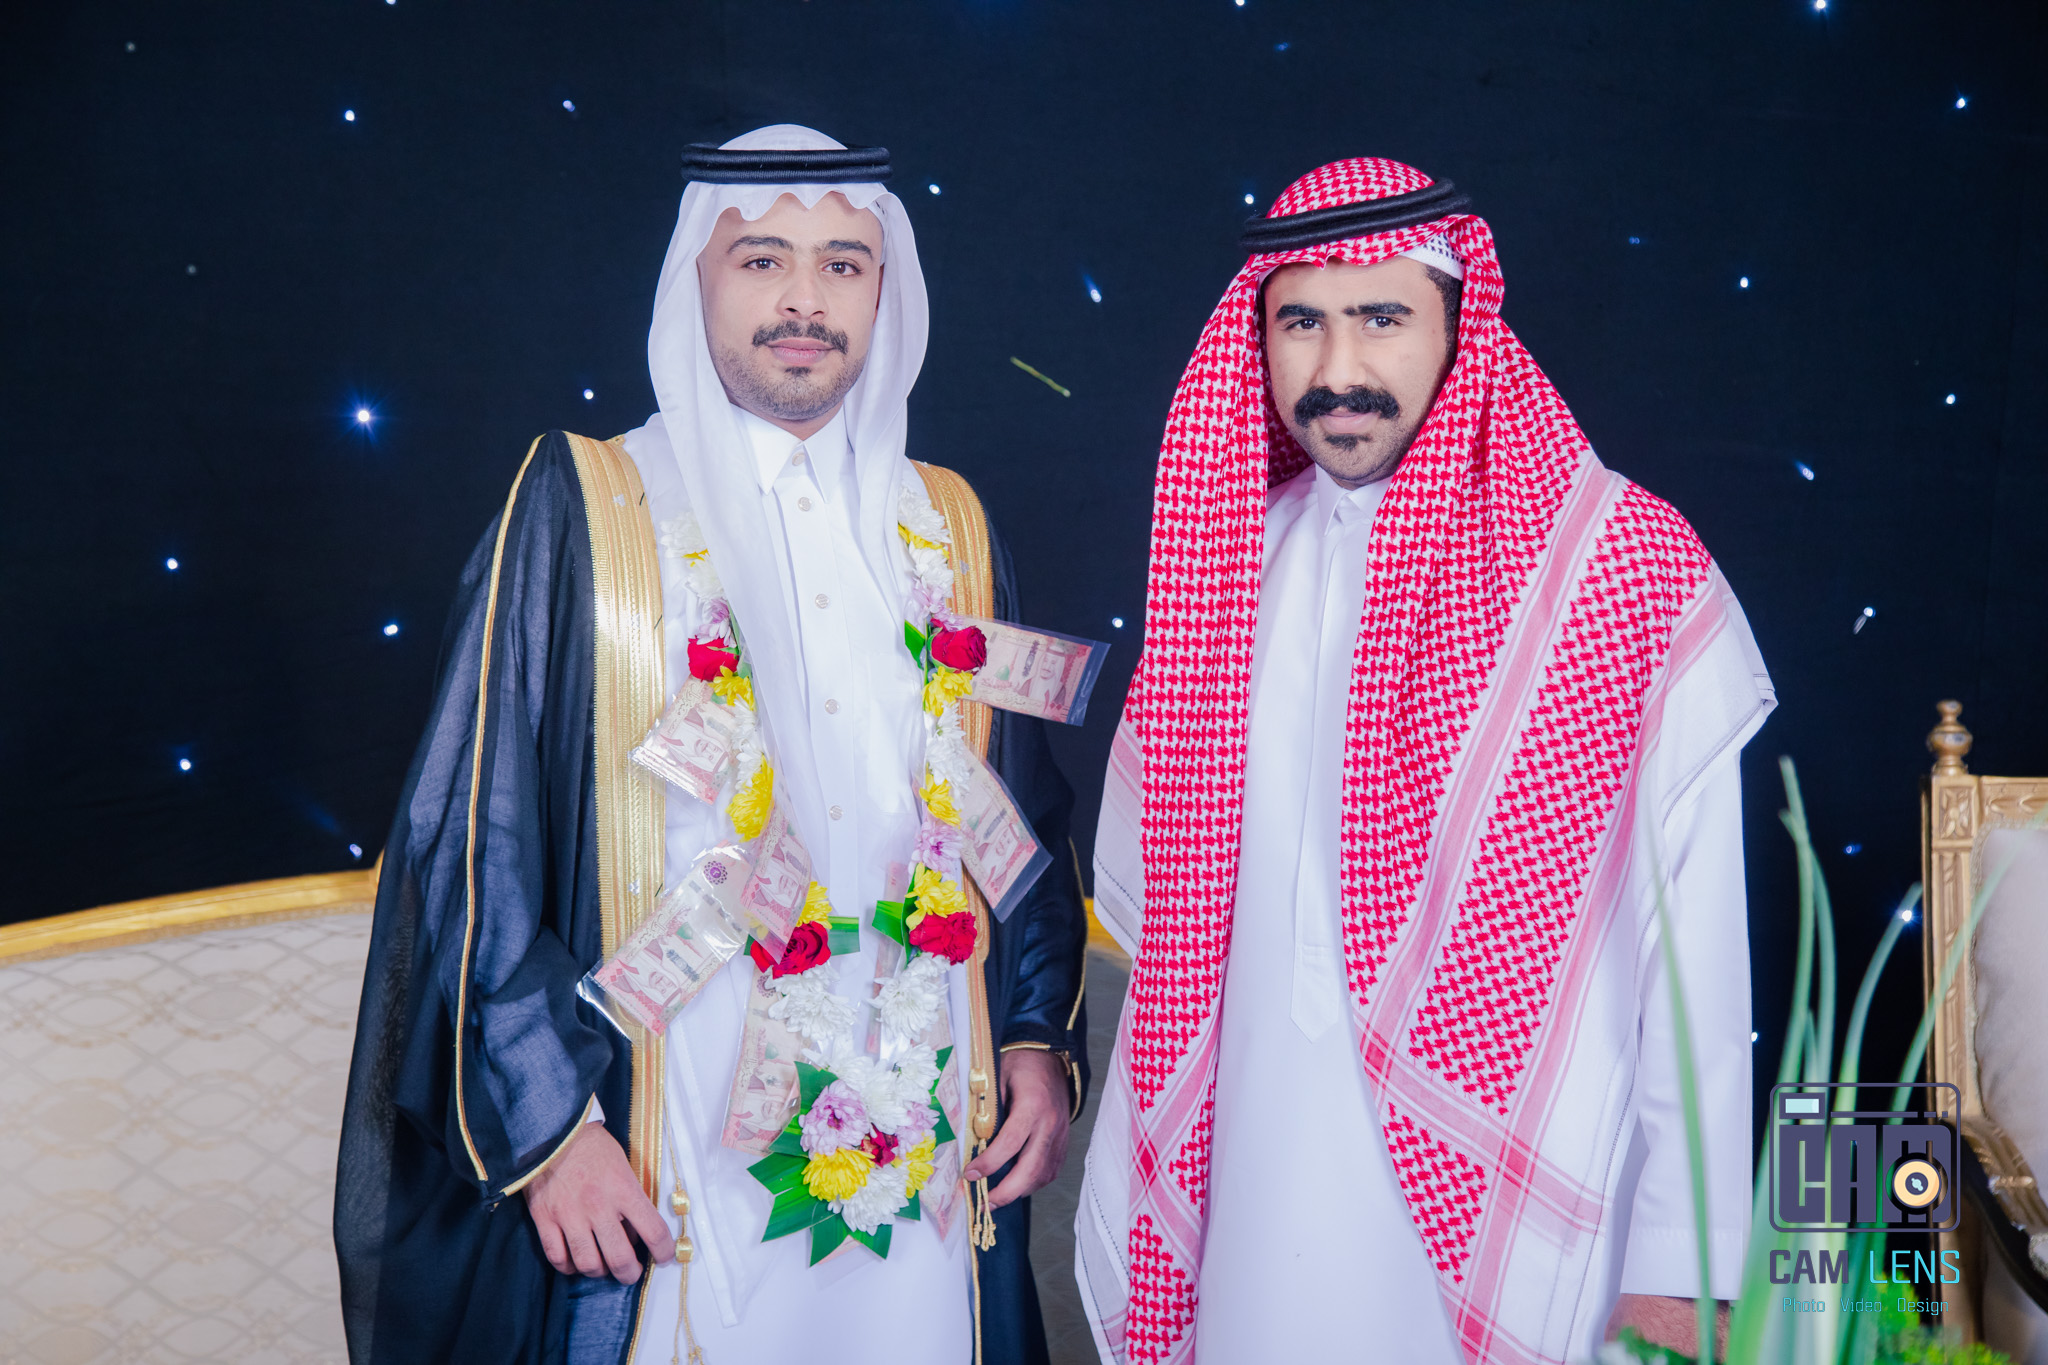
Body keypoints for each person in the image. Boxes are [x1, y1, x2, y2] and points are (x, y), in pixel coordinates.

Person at [335, 124, 1090, 1365]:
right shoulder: (588, 501)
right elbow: (470, 836)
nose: (804, 300)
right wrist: (550, 1130)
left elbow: (1020, 814)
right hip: (663, 1128)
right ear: (697, 275)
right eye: (762, 260)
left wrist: (1031, 1040)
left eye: (843, 263)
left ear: (884, 291)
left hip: (921, 1117)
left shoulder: (945, 521)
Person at [1077, 158, 1774, 1365]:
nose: (1337, 368)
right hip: (1250, 1185)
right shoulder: (1223, 570)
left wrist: (1684, 1262)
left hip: (1511, 1196)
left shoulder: (1613, 571)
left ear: (1460, 331)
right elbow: (1162, 927)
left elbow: (1696, 954)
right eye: (1300, 322)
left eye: (1381, 318)